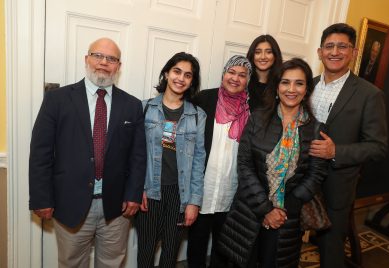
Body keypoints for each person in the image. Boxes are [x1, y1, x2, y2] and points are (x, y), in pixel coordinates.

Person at [29, 38, 147, 267]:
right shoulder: (57, 99)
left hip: (116, 208)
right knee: (71, 263)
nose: (104, 63)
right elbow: (40, 152)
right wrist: (41, 197)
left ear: (118, 66)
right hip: (70, 202)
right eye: (98, 56)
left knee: (112, 263)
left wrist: (133, 194)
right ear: (87, 59)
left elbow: (138, 155)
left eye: (111, 59)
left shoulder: (132, 105)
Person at [218, 58, 328, 268]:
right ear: (277, 87)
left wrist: (283, 209)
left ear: (307, 90)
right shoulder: (257, 118)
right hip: (250, 211)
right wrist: (266, 209)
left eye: (299, 83)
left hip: (287, 217)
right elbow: (245, 165)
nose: (291, 89)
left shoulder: (316, 129)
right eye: (285, 82)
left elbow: (315, 175)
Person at [310, 23, 388, 268]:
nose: (335, 52)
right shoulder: (305, 85)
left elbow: (378, 146)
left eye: (342, 46)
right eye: (329, 46)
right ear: (320, 51)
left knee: (330, 247)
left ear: (353, 53)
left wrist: (336, 152)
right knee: (288, 237)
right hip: (300, 177)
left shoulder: (369, 94)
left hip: (338, 182)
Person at [135, 52, 206, 268]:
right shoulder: (144, 108)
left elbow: (198, 161)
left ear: (192, 81)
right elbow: (134, 155)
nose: (180, 78)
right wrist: (137, 189)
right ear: (166, 73)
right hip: (149, 192)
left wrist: (194, 201)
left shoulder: (197, 115)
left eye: (188, 75)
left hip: (179, 194)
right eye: (176, 71)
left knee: (170, 253)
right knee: (146, 251)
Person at [187, 55, 252, 268]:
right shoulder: (203, 99)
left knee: (223, 248)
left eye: (242, 75)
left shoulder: (252, 109)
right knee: (196, 244)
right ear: (223, 74)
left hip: (231, 190)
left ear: (248, 80)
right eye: (231, 72)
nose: (235, 78)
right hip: (202, 190)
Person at [246, 34, 283, 112]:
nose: (263, 57)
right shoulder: (243, 83)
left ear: (275, 56)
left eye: (268, 52)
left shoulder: (282, 85)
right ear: (252, 55)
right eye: (258, 52)